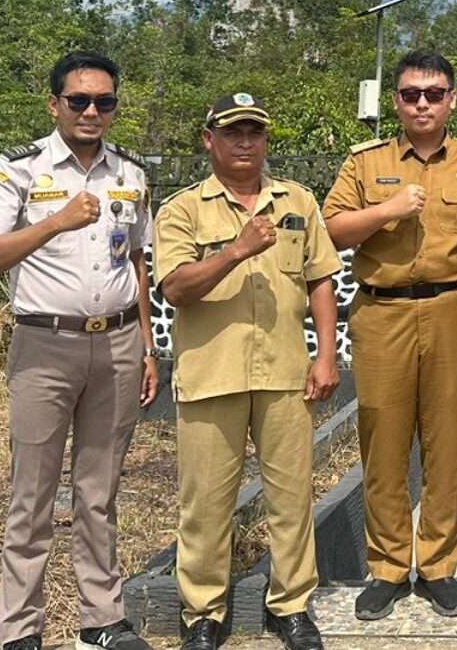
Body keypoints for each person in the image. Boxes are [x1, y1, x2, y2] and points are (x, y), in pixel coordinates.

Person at [0, 52, 157, 650]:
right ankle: (19, 629)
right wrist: (56, 222)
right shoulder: (18, 170)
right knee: (33, 494)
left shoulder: (130, 173)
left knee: (100, 493)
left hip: (120, 342)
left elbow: (139, 260)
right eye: (79, 101)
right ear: (55, 105)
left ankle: (102, 619)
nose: (93, 112)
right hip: (45, 345)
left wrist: (149, 342)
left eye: (105, 102)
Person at [321, 51, 457, 620]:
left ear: (452, 99)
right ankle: (385, 567)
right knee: (382, 439)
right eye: (411, 94)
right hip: (383, 313)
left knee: (449, 440)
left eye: (433, 93)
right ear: (397, 102)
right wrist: (387, 209)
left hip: (455, 308)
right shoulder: (366, 163)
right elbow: (329, 231)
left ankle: (437, 566)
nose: (422, 103)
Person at [154, 94, 342, 650]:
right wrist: (235, 251)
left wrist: (326, 354)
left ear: (265, 140)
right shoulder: (184, 210)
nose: (244, 142)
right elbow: (175, 288)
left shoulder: (298, 202)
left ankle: (292, 605)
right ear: (208, 139)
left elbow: (321, 279)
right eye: (232, 131)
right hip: (212, 374)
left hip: (284, 372)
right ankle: (203, 613)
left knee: (291, 498)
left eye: (254, 132)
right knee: (206, 502)